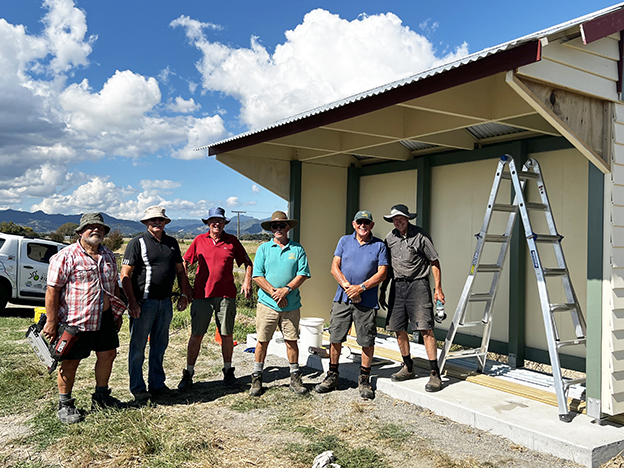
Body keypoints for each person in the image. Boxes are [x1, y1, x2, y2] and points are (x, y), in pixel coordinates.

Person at [43, 213, 127, 424]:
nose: (95, 230)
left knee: (108, 355)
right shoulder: (66, 255)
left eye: (100, 227)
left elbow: (114, 286)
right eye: (90, 227)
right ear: (80, 232)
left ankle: (101, 397)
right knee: (70, 362)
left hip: (105, 318)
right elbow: (52, 290)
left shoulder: (108, 255)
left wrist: (116, 312)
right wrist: (51, 322)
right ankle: (65, 404)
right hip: (76, 321)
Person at [121, 206, 192, 402]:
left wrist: (184, 294)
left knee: (160, 346)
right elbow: (125, 274)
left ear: (165, 222)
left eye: (160, 220)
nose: (156, 223)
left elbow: (180, 270)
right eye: (152, 220)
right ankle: (138, 388)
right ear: (145, 223)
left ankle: (157, 384)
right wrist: (132, 303)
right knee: (138, 347)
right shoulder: (137, 243)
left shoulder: (171, 243)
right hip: (144, 303)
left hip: (165, 302)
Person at [315, 210, 388, 400]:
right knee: (335, 336)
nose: (363, 225)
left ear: (371, 225)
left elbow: (382, 273)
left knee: (366, 340)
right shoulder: (344, 241)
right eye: (359, 222)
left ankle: (364, 379)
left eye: (366, 222)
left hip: (367, 301)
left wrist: (361, 288)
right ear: (354, 224)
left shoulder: (379, 245)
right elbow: (334, 267)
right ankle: (332, 376)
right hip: (342, 298)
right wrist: (349, 288)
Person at [178, 207, 253, 390]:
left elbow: (247, 263)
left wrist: (247, 282)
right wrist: (186, 287)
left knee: (226, 335)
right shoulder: (199, 240)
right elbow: (185, 262)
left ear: (224, 223)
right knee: (196, 334)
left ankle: (228, 371)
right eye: (212, 220)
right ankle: (188, 373)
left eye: (219, 220)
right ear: (208, 223)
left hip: (226, 296)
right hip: (201, 295)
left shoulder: (232, 241)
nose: (216, 223)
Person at [379, 204, 445, 392]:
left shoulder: (420, 236)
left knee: (425, 328)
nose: (398, 221)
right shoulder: (389, 238)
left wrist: (438, 289)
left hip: (418, 284)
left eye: (401, 218)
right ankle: (408, 366)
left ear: (408, 218)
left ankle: (434, 373)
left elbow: (435, 261)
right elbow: (388, 267)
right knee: (398, 328)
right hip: (397, 286)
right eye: (394, 219)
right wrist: (384, 289)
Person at [250, 211, 311, 397]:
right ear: (271, 229)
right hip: (267, 303)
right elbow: (257, 275)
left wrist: (286, 290)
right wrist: (275, 292)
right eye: (275, 226)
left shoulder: (297, 249)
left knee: (291, 341)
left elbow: (303, 274)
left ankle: (294, 377)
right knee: (262, 341)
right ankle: (257, 378)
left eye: (282, 226)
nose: (278, 229)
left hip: (291, 304)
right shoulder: (263, 249)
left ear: (288, 228)